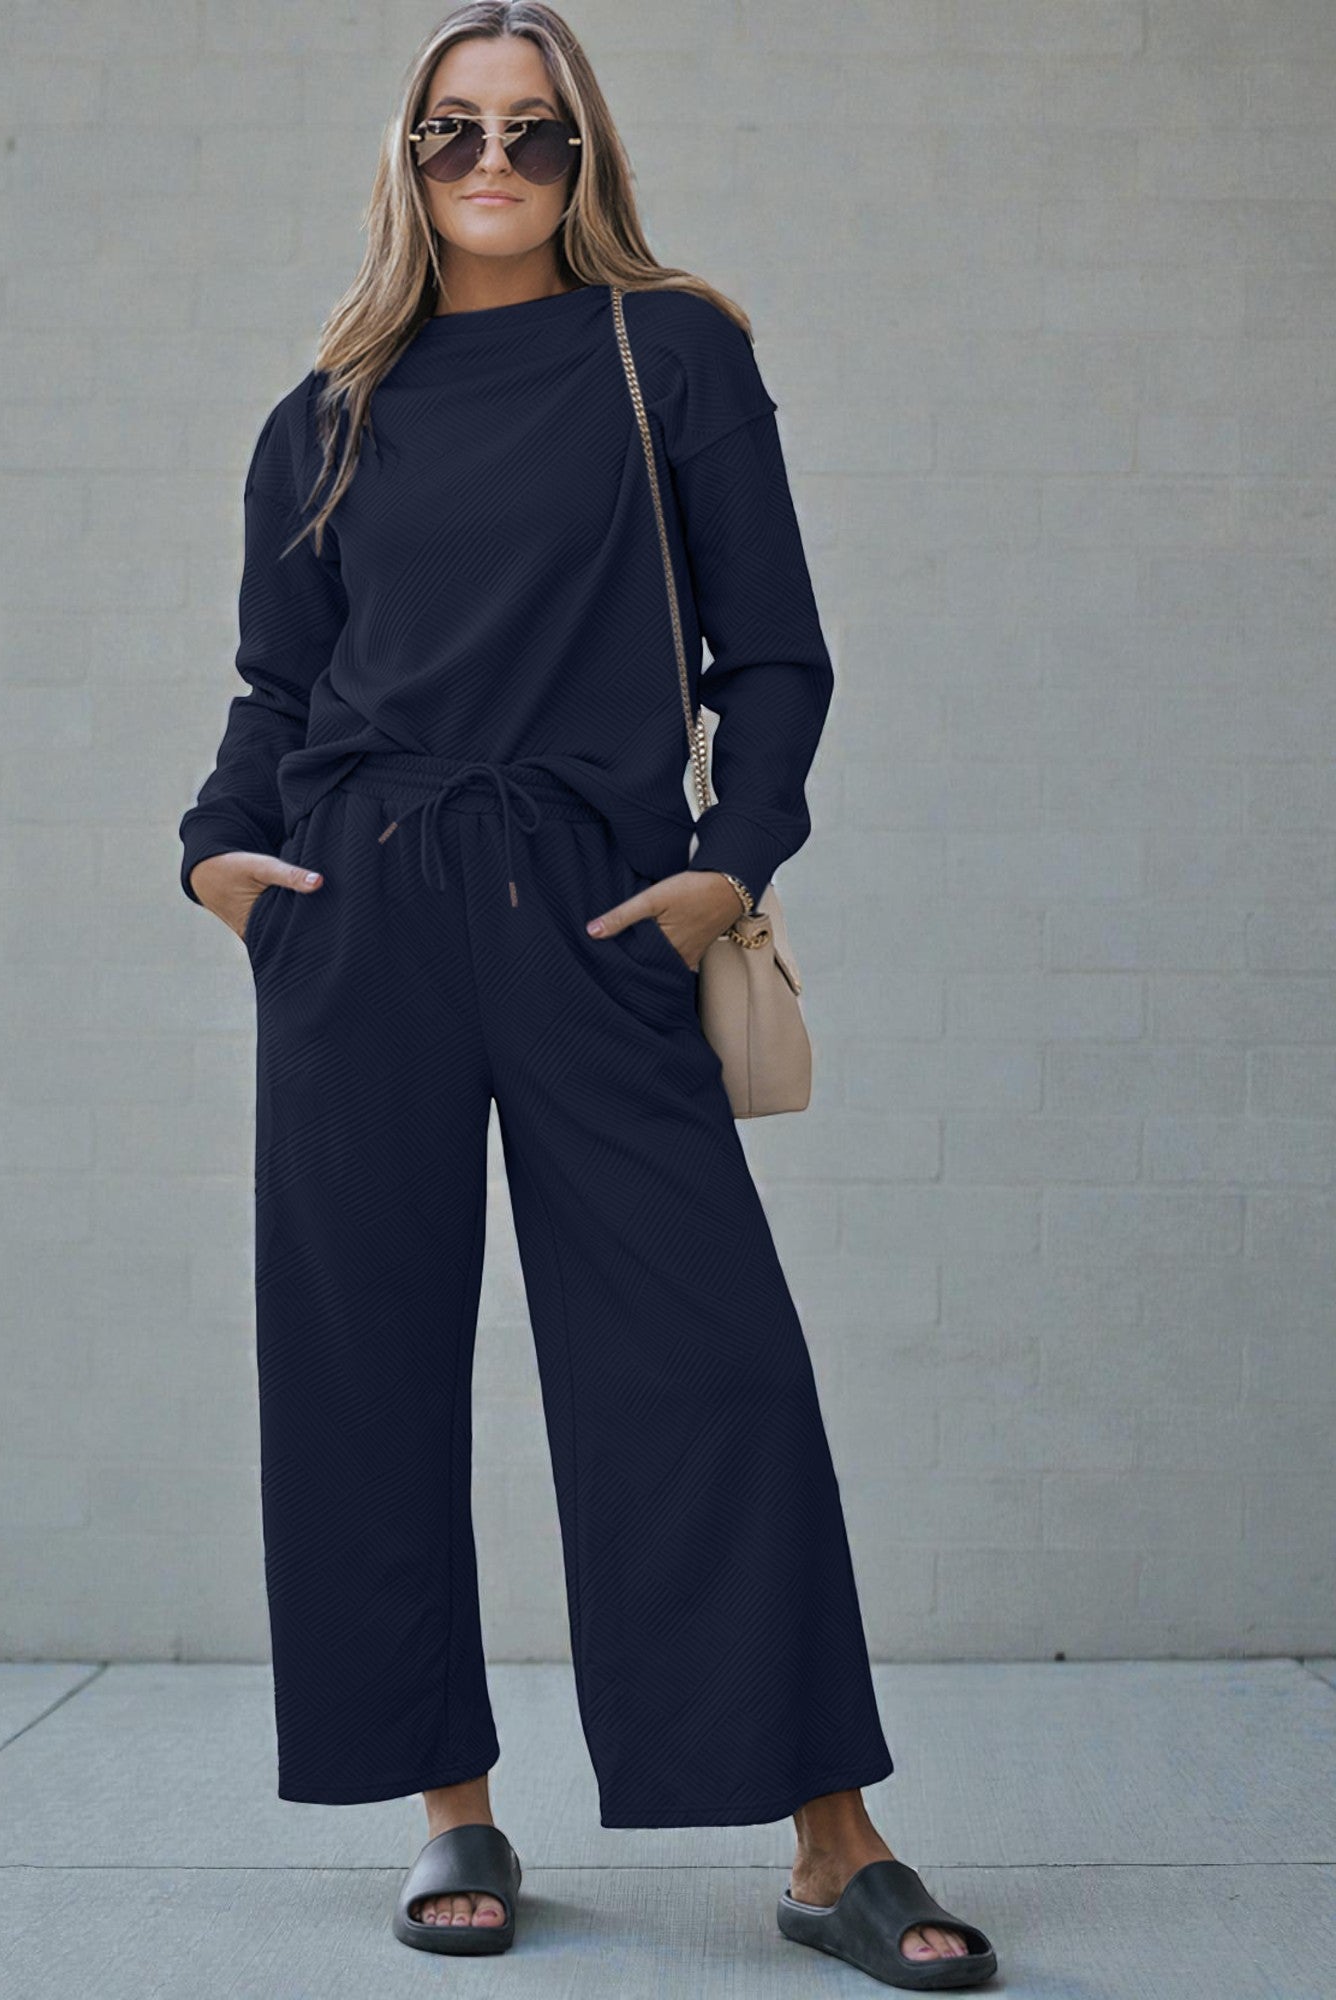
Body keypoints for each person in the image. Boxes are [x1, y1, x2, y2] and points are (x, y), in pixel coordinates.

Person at [178, 4, 997, 1988]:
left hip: (590, 906)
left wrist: (732, 860)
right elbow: (276, 687)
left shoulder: (670, 353)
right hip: (356, 909)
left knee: (706, 1367)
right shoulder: (327, 411)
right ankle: (448, 1806)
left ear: (584, 156)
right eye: (455, 129)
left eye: (532, 132)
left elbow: (773, 652)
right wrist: (219, 856)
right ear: (405, 156)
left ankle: (833, 1844)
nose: (494, 162)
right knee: (362, 1368)